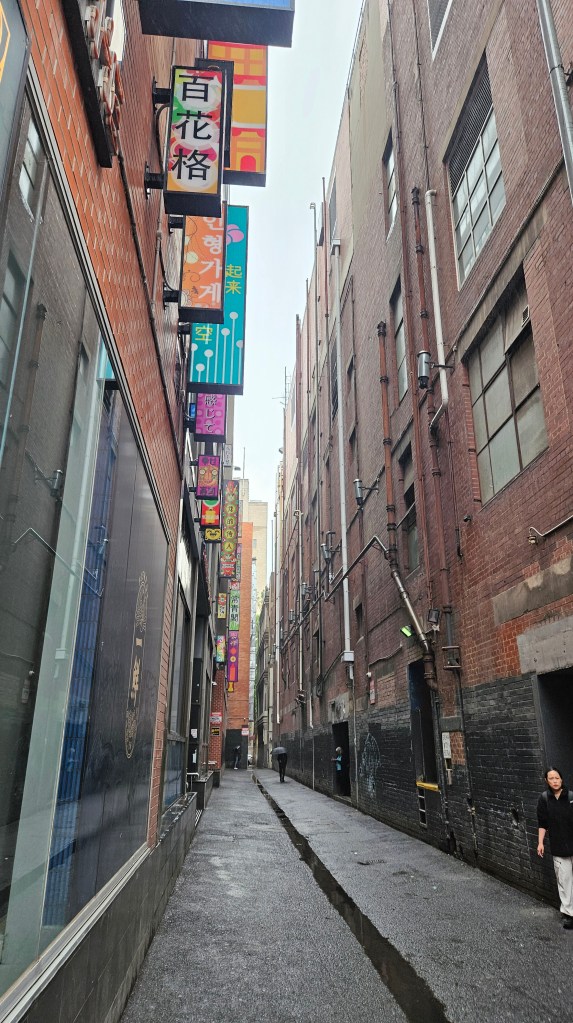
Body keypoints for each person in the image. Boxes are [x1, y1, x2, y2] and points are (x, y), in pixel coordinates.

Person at [537, 766, 573, 929]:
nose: (555, 781)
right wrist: (540, 843)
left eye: (557, 778)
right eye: (551, 778)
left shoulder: (571, 797)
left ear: (562, 779)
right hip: (559, 847)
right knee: (564, 881)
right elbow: (542, 823)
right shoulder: (544, 799)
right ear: (546, 781)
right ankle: (569, 914)